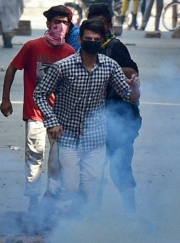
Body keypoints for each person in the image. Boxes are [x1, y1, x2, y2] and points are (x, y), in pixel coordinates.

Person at [33, 20, 140, 214]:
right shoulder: (62, 67)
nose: (92, 42)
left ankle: (80, 231)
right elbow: (39, 94)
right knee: (70, 188)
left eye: (96, 40)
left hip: (95, 139)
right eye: (88, 39)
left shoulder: (110, 66)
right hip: (67, 138)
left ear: (102, 41)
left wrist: (134, 89)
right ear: (80, 40)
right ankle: (59, 232)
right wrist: (52, 122)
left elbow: (129, 97)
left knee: (90, 190)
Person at [0, 6, 76, 223]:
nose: (59, 26)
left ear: (69, 26)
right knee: (34, 156)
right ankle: (33, 201)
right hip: (35, 112)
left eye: (64, 22)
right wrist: (6, 98)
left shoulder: (70, 52)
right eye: (55, 21)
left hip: (60, 115)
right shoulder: (32, 47)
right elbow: (12, 68)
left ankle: (50, 202)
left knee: (57, 161)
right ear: (47, 24)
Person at [86, 4, 141, 212]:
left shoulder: (115, 47)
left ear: (109, 25)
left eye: (102, 24)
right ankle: (93, 215)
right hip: (92, 119)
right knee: (93, 170)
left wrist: (107, 70)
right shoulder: (85, 45)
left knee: (120, 169)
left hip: (118, 118)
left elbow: (131, 74)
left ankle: (131, 214)